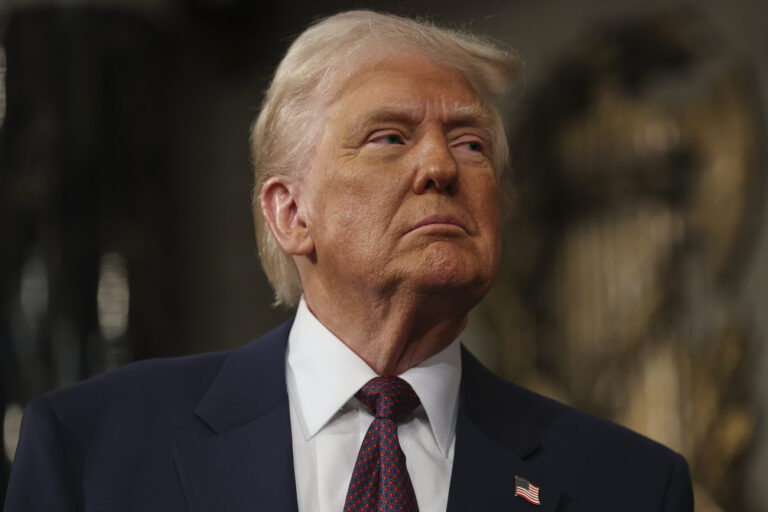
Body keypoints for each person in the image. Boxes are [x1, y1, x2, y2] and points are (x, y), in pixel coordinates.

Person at [5, 10, 693, 512]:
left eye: (472, 144)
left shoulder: (628, 484)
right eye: (390, 137)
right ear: (290, 214)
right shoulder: (92, 449)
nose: (440, 166)